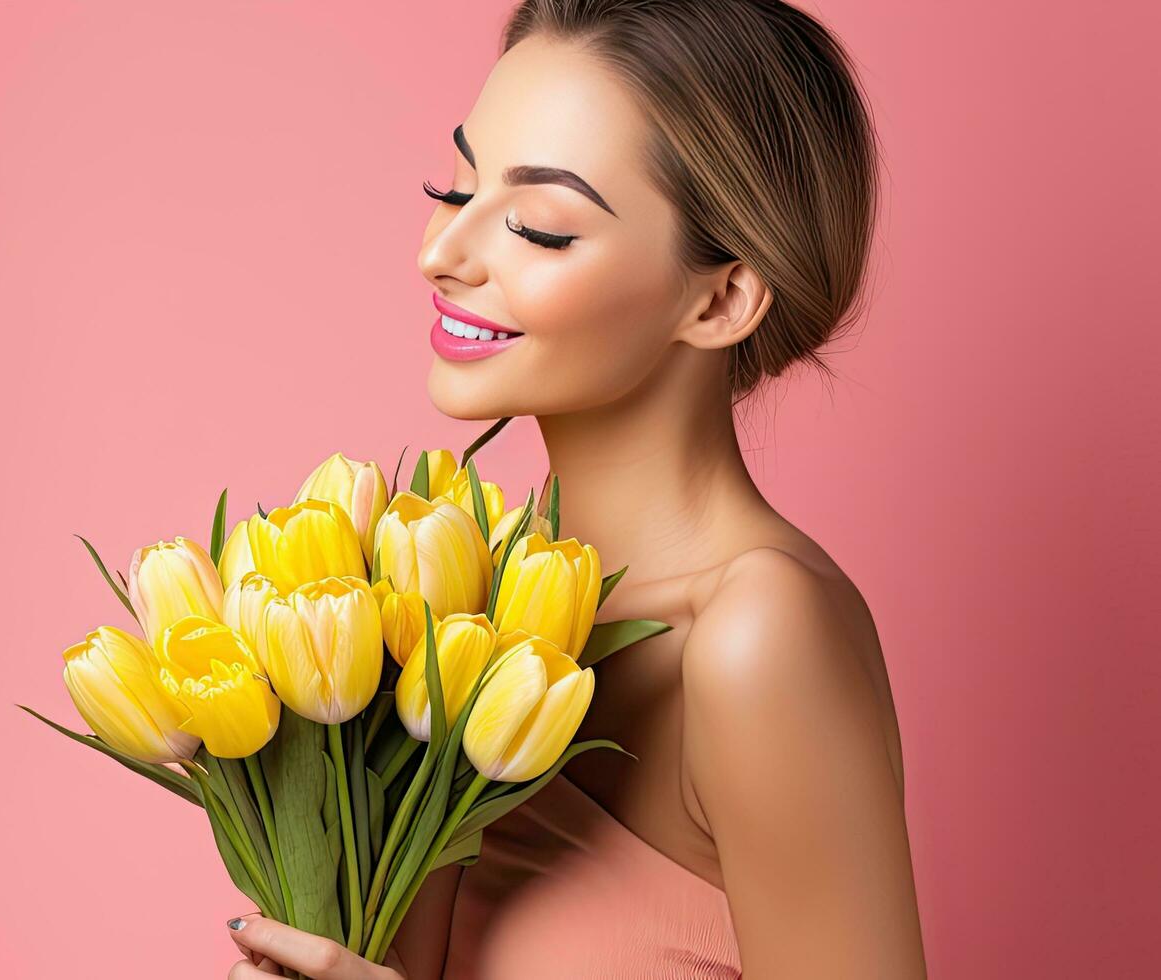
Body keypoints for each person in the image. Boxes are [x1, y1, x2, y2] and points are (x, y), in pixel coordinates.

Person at [222, 0, 926, 976]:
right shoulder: (445, 596)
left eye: (538, 228)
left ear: (719, 296)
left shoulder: (755, 637)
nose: (441, 253)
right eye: (453, 185)